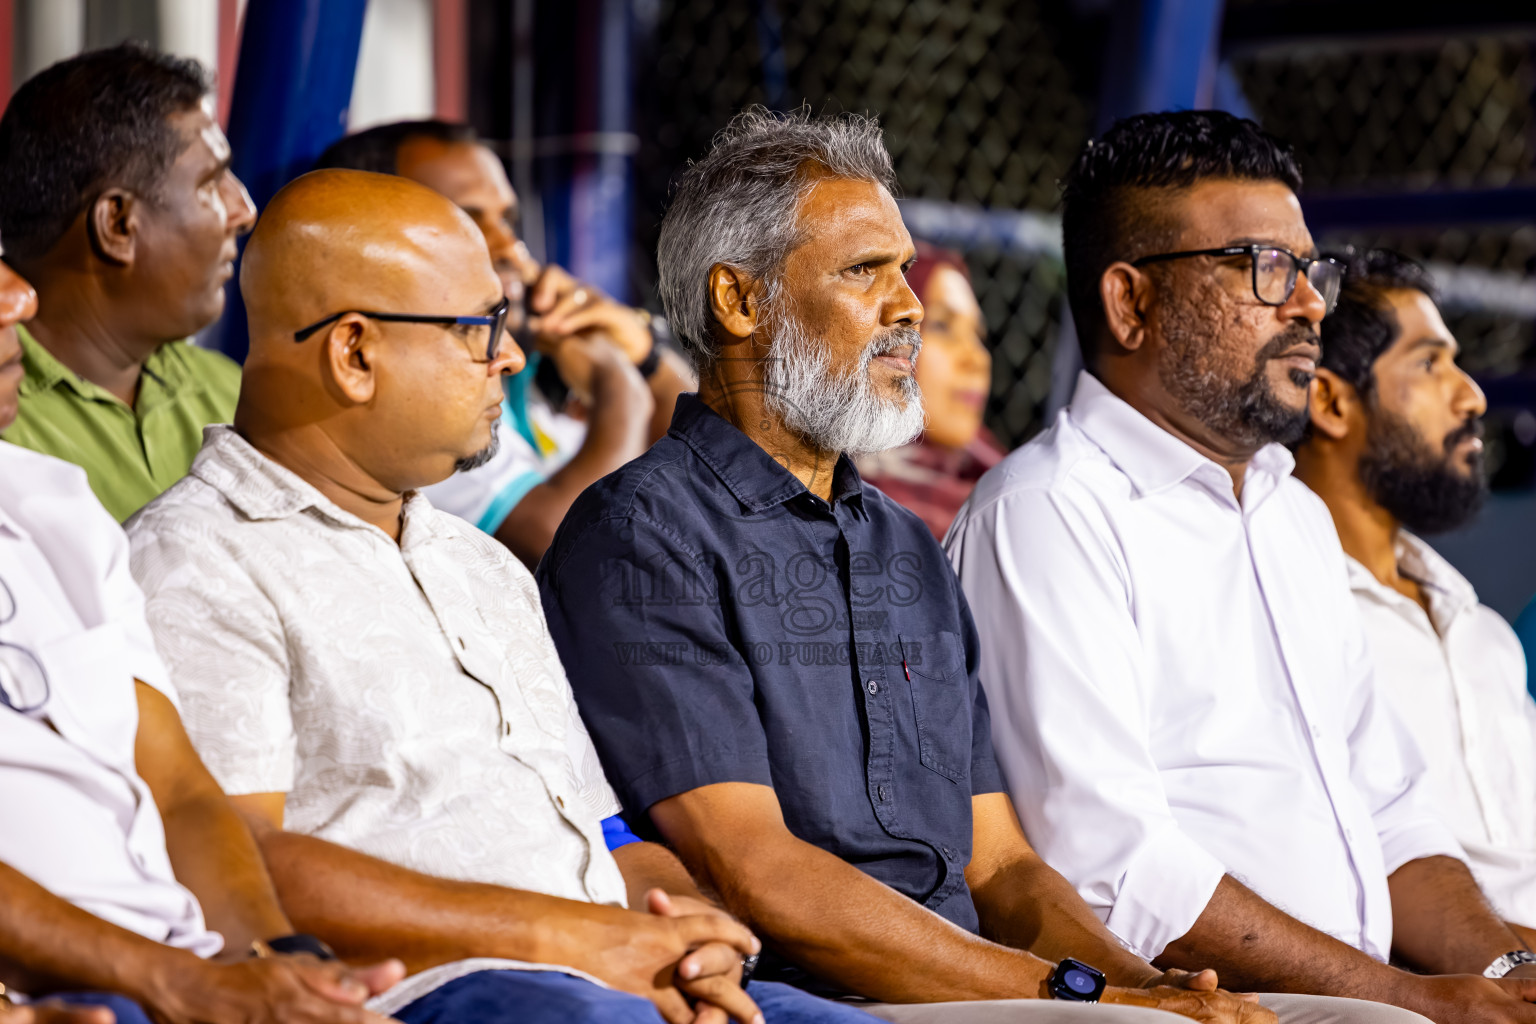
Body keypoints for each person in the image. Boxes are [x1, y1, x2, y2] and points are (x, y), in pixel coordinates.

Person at [536, 107, 1407, 1024]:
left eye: (903, 268)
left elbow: (1002, 866)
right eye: (865, 271)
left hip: (997, 990)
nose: (908, 304)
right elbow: (755, 870)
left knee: (1365, 1021)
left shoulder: (902, 543)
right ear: (739, 302)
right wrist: (1085, 995)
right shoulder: (643, 530)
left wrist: (1150, 991)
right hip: (824, 999)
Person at [128, 167, 876, 1024]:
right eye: (480, 327)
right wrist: (574, 941)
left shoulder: (479, 566)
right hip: (433, 993)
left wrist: (693, 932)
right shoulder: (196, 559)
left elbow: (603, 835)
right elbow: (237, 859)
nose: (512, 357)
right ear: (356, 352)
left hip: (612, 974)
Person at [945, 109, 1536, 1024]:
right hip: (1191, 1005)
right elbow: (1113, 873)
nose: (1307, 304)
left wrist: (1502, 970)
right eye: (1264, 268)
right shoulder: (1048, 512)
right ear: (1130, 303)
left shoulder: (1291, 514)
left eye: (1311, 271)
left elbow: (1396, 819)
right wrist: (1416, 998)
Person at [0, 239, 407, 1023]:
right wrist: (181, 985)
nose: (20, 300)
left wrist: (280, 969)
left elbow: (182, 792)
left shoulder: (51, 509)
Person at [1291, 248, 1536, 939]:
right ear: (1332, 401)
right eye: (1430, 363)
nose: (1473, 396)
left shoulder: (1482, 632)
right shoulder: (1291, 612)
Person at [314, 120, 692, 567]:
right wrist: (621, 387)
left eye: (507, 221)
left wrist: (644, 355)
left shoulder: (521, 370)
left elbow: (716, 462)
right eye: (466, 221)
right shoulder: (404, 388)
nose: (511, 246)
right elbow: (570, 541)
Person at [0, 43, 255, 521]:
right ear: (118, 224)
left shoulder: (231, 393)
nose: (244, 210)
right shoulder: (7, 415)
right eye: (210, 182)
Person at [855, 239, 1004, 538]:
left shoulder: (1005, 490)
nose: (975, 358)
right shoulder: (849, 511)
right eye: (942, 327)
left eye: (977, 335)